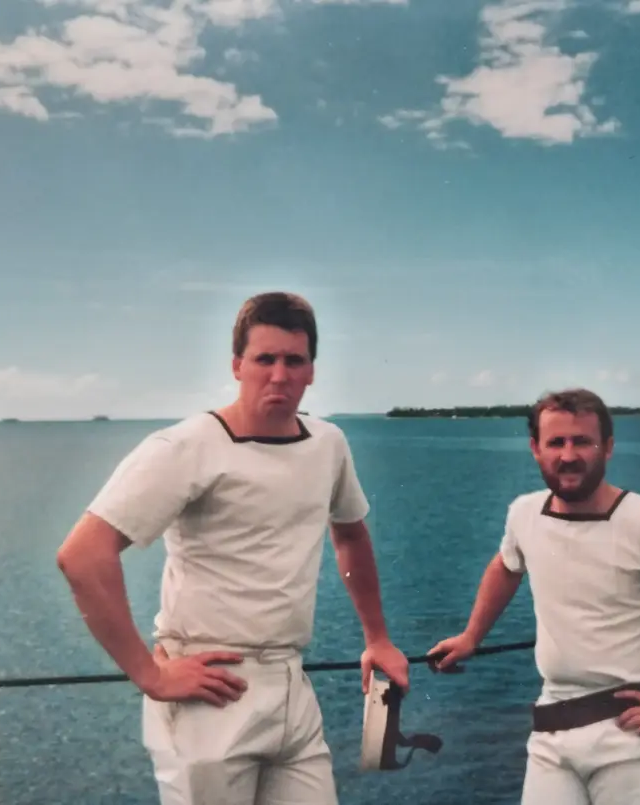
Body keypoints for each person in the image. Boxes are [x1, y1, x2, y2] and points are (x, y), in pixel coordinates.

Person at [56, 291, 409, 805]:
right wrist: (149, 674)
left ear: (312, 370)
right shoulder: (187, 447)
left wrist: (377, 637)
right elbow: (83, 555)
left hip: (291, 685)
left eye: (295, 360)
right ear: (237, 365)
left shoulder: (327, 444)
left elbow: (350, 533)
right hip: (210, 693)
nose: (280, 374)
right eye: (265, 359)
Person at [428, 388, 640, 805]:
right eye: (556, 442)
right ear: (535, 449)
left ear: (608, 447)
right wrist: (472, 636)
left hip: (630, 738)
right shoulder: (525, 513)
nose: (568, 455)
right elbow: (507, 566)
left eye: (582, 441)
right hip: (551, 731)